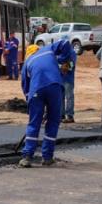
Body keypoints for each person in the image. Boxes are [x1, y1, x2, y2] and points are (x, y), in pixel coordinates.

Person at [19, 39, 75, 168]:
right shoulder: (48, 49)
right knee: (53, 122)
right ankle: (47, 157)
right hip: (55, 87)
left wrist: (33, 107)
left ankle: (27, 157)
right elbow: (66, 43)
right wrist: (62, 59)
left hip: (36, 90)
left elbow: (25, 88)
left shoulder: (27, 63)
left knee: (34, 123)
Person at [61, 41, 77, 123]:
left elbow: (71, 65)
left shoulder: (72, 53)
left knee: (69, 97)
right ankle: (61, 115)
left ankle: (70, 115)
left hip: (68, 79)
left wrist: (63, 67)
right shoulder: (61, 52)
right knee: (61, 97)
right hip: (61, 78)